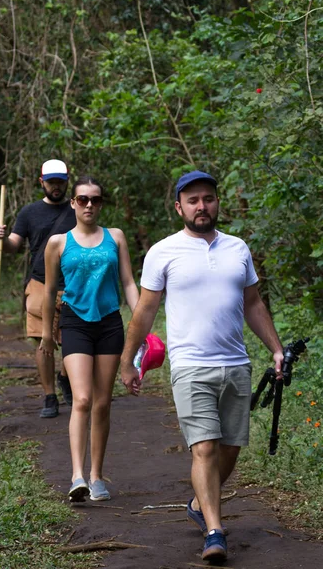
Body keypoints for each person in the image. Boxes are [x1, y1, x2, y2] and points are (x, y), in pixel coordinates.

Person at [120, 170, 283, 563]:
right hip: (191, 366)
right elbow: (143, 311)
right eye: (192, 201)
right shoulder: (163, 251)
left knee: (230, 448)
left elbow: (254, 304)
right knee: (205, 448)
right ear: (179, 207)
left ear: (217, 203)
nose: (201, 206)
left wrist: (275, 349)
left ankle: (198, 502)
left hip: (237, 364)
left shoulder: (237, 248)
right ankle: (214, 530)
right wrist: (128, 360)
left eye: (208, 199)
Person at [40, 176, 139, 503]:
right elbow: (50, 289)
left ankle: (97, 476)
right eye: (82, 199)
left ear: (101, 204)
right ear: (73, 202)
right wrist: (45, 333)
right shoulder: (58, 243)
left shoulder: (116, 238)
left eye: (95, 200)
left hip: (110, 322)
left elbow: (127, 282)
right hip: (74, 323)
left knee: (102, 402)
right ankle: (77, 476)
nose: (89, 206)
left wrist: (142, 323)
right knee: (81, 399)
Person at [0, 159, 76, 418]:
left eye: (60, 182)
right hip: (41, 282)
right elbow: (13, 245)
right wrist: (1, 239)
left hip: (74, 284)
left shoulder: (78, 209)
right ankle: (50, 396)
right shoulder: (29, 213)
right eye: (51, 182)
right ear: (41, 182)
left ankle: (65, 377)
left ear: (67, 182)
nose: (56, 186)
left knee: (75, 340)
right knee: (43, 342)